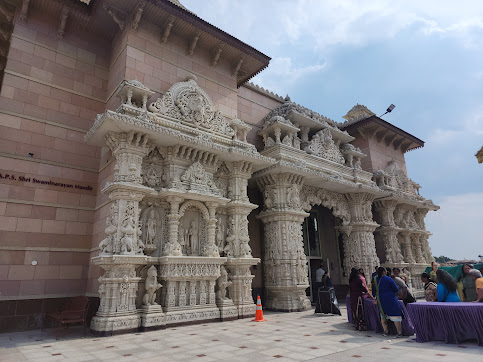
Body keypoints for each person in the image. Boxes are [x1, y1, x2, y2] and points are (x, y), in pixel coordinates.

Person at [372, 267, 404, 337]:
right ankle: (399, 332)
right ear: (384, 271)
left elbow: (373, 292)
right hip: (390, 299)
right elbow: (396, 289)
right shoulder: (388, 279)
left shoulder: (374, 280)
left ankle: (386, 331)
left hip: (381, 300)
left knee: (383, 316)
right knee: (395, 315)